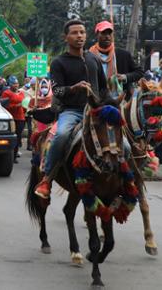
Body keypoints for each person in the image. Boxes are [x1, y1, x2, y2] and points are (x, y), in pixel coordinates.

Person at [34, 20, 108, 200]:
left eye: (82, 32)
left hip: (96, 110)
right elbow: (57, 90)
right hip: (72, 111)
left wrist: (112, 103)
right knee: (61, 136)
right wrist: (73, 88)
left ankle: (126, 176)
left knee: (124, 140)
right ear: (65, 37)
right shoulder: (59, 62)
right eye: (74, 33)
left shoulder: (94, 59)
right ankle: (47, 178)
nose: (79, 36)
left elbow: (104, 89)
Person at [89, 20, 143, 99]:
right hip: (96, 100)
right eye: (103, 33)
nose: (107, 36)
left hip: (120, 100)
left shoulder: (123, 55)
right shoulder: (89, 56)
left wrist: (124, 77)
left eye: (109, 33)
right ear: (97, 34)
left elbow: (140, 72)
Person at [2, 76, 25, 163]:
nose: (16, 85)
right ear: (10, 85)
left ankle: (14, 156)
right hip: (11, 119)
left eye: (17, 83)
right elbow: (4, 106)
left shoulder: (22, 93)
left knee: (18, 138)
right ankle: (8, 156)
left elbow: (24, 105)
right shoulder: (6, 93)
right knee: (11, 138)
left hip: (21, 118)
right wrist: (16, 106)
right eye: (14, 84)